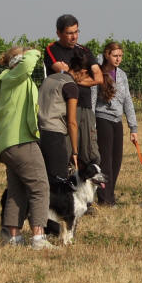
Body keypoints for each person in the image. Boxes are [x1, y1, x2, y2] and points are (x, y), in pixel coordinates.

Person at [0, 47, 56, 250]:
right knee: (40, 186)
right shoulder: (14, 77)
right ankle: (38, 237)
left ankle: (13, 237)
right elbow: (27, 66)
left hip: (8, 144)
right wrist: (35, 52)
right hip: (21, 141)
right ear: (18, 61)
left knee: (17, 191)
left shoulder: (6, 80)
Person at [43, 14, 103, 180]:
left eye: (76, 32)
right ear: (59, 33)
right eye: (69, 33)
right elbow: (62, 72)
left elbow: (98, 77)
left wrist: (73, 77)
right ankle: (69, 194)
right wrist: (77, 76)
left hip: (86, 108)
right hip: (65, 107)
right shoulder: (51, 50)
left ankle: (88, 196)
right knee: (68, 152)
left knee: (91, 152)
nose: (74, 36)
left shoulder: (84, 50)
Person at [91, 42, 138, 206]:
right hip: (102, 119)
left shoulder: (122, 75)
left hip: (118, 121)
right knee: (106, 161)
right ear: (106, 55)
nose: (118, 59)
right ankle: (104, 198)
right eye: (115, 55)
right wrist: (92, 125)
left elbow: (128, 101)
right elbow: (92, 99)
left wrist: (133, 127)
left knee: (117, 161)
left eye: (120, 56)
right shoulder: (98, 73)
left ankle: (110, 195)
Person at [38, 49, 83, 183]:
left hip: (38, 131)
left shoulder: (49, 79)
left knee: (43, 177)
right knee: (58, 179)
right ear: (83, 72)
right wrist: (74, 151)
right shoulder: (71, 87)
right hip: (55, 135)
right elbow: (72, 122)